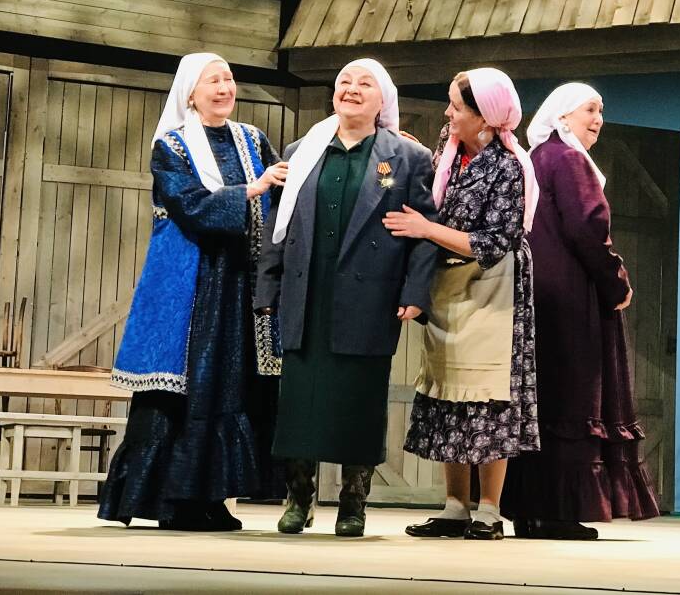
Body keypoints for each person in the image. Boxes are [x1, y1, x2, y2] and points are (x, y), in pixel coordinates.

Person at [98, 53, 289, 531]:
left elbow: (285, 194)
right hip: (194, 284)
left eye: (229, 79)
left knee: (234, 386)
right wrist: (253, 189)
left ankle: (212, 497)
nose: (225, 88)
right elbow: (190, 207)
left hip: (240, 284)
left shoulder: (253, 140)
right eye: (214, 81)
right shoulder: (172, 147)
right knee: (187, 389)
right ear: (191, 93)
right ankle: (172, 500)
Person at [255, 58, 438, 538]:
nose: (352, 90)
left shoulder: (408, 157)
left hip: (369, 297)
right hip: (307, 294)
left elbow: (424, 232)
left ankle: (354, 501)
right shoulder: (302, 150)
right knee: (299, 403)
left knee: (359, 402)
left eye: (364, 84)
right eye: (344, 82)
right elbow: (279, 224)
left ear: (383, 100)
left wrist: (416, 291)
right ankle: (299, 497)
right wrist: (268, 285)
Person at [500, 82, 660, 539]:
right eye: (590, 109)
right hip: (571, 301)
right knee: (571, 399)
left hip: (538, 298)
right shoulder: (568, 160)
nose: (598, 120)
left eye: (601, 111)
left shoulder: (537, 158)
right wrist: (616, 282)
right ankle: (559, 510)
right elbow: (588, 228)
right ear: (563, 115)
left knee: (542, 401)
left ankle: (530, 508)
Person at [389, 67, 540, 541]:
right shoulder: (449, 152)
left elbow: (495, 241)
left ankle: (489, 511)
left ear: (485, 117)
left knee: (488, 395)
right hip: (448, 285)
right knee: (447, 391)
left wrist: (427, 230)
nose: (448, 114)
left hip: (492, 288)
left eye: (456, 106)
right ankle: (455, 506)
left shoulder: (508, 167)